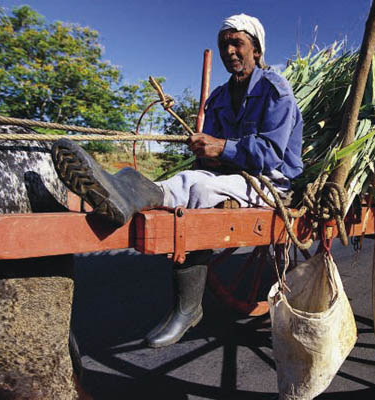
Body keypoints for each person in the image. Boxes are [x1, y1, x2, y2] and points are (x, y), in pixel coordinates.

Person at [51, 13, 303, 348]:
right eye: (224, 44)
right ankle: (123, 190)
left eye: (237, 43)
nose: (229, 51)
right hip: (229, 177)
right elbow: (211, 157)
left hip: (271, 181)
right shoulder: (218, 99)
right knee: (191, 181)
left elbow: (271, 152)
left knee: (196, 187)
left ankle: (187, 306)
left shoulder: (276, 91)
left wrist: (220, 147)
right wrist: (205, 149)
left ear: (256, 50)